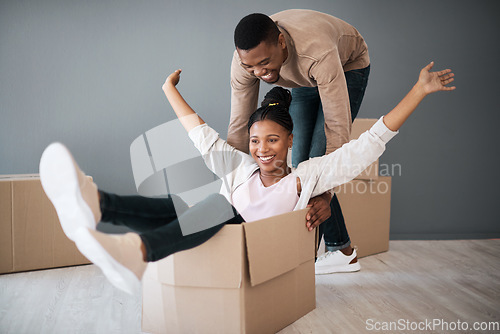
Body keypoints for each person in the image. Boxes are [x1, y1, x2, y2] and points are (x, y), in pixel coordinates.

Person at [39, 62, 454, 295]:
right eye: (256, 141)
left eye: (272, 140)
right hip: (214, 228)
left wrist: (417, 91)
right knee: (189, 203)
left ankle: (140, 250)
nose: (262, 149)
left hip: (256, 245)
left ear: (289, 141)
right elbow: (200, 134)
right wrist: (168, 89)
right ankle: (98, 203)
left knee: (218, 205)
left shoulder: (305, 179)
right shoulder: (241, 168)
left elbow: (367, 145)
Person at [228, 10, 371, 273]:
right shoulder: (245, 63)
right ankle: (340, 249)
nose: (258, 72)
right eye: (251, 67)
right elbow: (239, 128)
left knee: (315, 165)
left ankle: (336, 252)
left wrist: (327, 194)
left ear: (281, 42)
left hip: (347, 64)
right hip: (302, 75)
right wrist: (232, 186)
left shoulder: (318, 53)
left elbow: (337, 131)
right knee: (299, 164)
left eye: (264, 62)